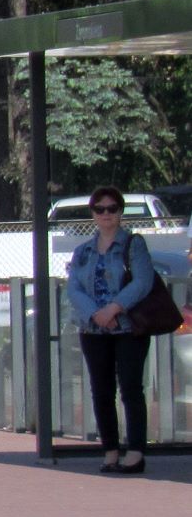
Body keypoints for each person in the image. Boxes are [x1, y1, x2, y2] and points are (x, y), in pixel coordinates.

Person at [66, 186, 157, 475]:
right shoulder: (82, 251)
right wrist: (96, 313)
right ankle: (110, 450)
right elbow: (74, 287)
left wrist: (114, 308)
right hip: (93, 330)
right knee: (101, 390)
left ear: (120, 212)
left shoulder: (134, 245)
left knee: (130, 388)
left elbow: (142, 282)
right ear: (93, 213)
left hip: (128, 327)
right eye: (100, 209)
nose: (106, 214)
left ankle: (135, 452)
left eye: (112, 209)